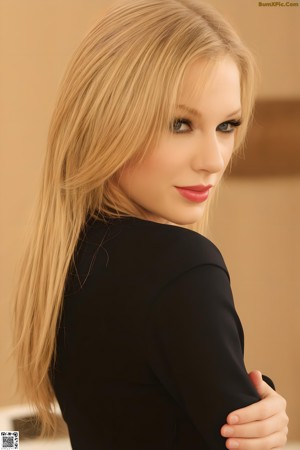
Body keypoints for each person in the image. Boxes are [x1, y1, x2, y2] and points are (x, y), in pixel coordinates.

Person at [13, 0, 288, 449]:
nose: (214, 160)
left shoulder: (69, 258)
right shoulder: (181, 266)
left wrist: (252, 401)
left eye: (227, 125)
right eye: (180, 124)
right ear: (107, 121)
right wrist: (258, 420)